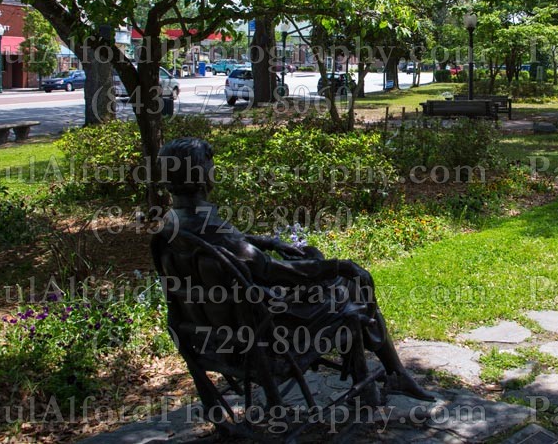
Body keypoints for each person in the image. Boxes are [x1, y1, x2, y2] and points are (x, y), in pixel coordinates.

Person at [155, 137, 435, 402]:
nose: (214, 169)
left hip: (212, 341)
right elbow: (275, 270)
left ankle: (371, 377)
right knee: (351, 287)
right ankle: (391, 373)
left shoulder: (171, 224)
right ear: (201, 175)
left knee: (332, 279)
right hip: (270, 339)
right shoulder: (215, 230)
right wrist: (339, 265)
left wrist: (269, 241)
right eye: (210, 164)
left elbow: (229, 244)